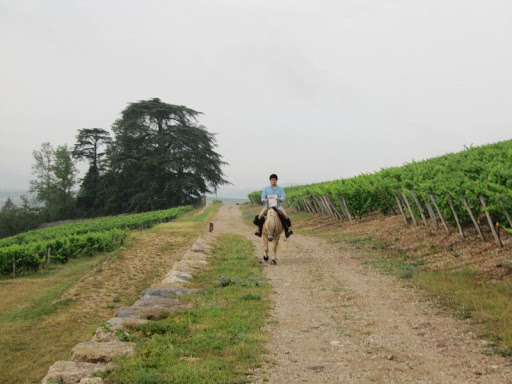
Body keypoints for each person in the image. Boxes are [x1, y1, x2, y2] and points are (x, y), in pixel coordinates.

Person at [254, 174, 293, 238]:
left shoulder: (280, 189)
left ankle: (287, 231)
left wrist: (279, 199)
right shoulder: (266, 189)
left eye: (275, 180)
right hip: (267, 206)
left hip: (278, 206)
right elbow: (262, 198)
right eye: (272, 180)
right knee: (260, 216)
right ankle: (259, 230)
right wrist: (265, 200)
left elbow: (283, 197)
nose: (273, 181)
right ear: (270, 180)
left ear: (276, 180)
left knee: (285, 216)